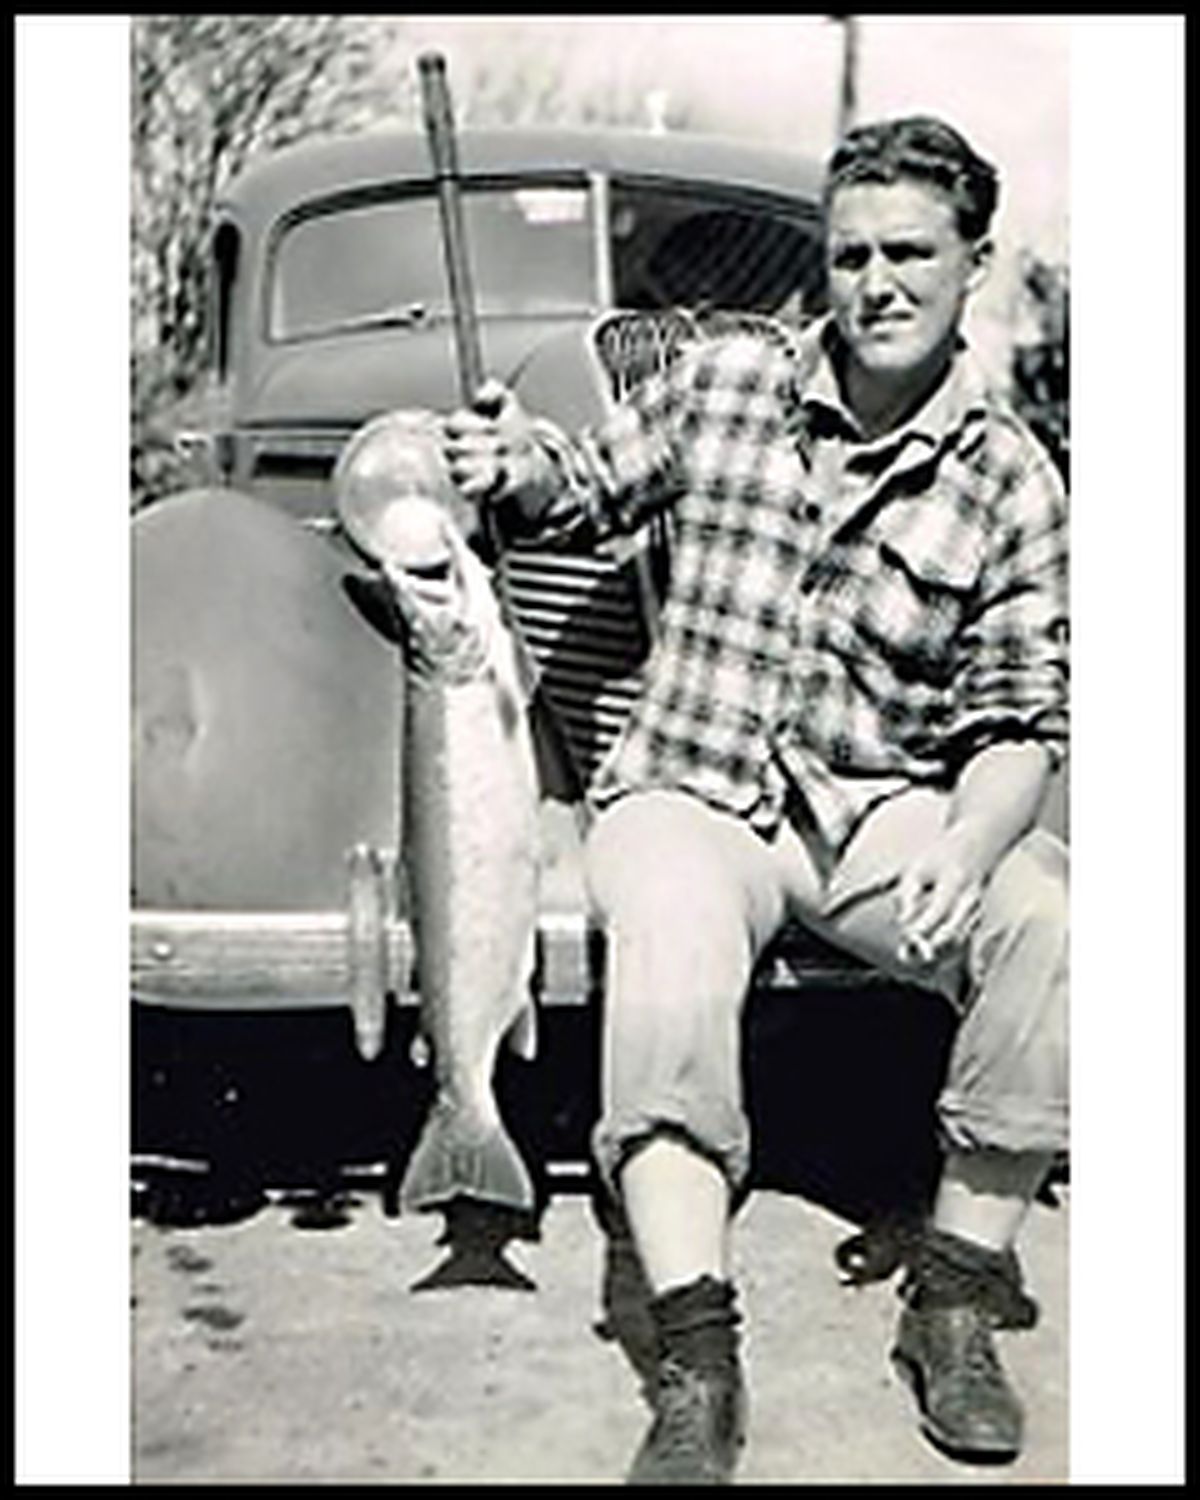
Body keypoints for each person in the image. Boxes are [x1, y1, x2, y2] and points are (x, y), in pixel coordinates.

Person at [444, 115, 1068, 1483]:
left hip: (878, 807)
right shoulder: (730, 380)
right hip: (693, 786)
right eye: (850, 255)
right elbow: (577, 488)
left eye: (911, 253)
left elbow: (1021, 719)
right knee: (667, 934)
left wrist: (974, 838)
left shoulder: (1013, 479)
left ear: (974, 263)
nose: (877, 284)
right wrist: (515, 462)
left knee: (1054, 922)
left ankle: (957, 1297)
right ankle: (696, 1356)